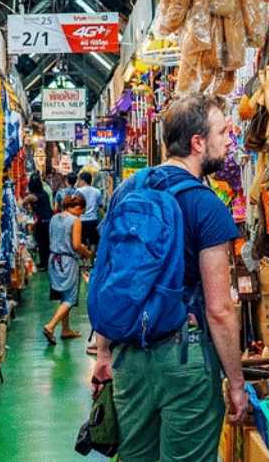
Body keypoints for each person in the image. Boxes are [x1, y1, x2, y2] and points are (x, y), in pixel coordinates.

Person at [91, 94, 246, 462]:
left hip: (130, 354)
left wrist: (103, 351)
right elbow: (220, 309)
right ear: (197, 143)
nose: (229, 140)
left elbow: (111, 277)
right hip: (184, 357)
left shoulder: (128, 189)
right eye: (223, 132)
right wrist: (236, 385)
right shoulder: (206, 205)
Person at [42, 194, 92, 345]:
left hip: (54, 260)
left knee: (64, 295)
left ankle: (66, 329)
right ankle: (51, 326)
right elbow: (76, 245)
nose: (81, 215)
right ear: (77, 208)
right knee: (70, 298)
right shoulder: (75, 221)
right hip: (68, 261)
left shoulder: (54, 218)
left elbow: (52, 240)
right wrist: (87, 253)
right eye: (81, 211)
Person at [23, 174, 54, 271]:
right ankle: (48, 263)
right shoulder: (44, 193)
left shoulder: (32, 196)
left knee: (41, 243)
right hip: (49, 220)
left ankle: (44, 264)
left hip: (41, 221)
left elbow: (23, 202)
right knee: (47, 243)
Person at [75, 171, 103, 254]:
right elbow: (100, 205)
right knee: (93, 241)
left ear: (83, 180)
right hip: (93, 219)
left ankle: (84, 262)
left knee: (82, 241)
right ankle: (91, 259)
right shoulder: (97, 191)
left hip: (81, 219)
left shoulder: (78, 191)